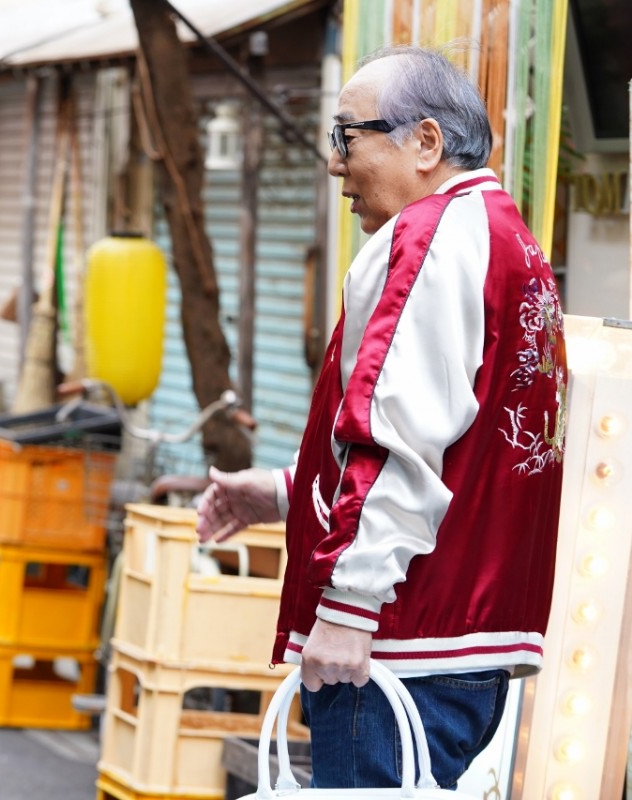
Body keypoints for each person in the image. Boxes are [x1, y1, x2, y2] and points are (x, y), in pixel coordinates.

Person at [196, 44, 567, 789]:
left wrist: (349, 607)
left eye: (346, 136)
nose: (335, 165)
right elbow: (451, 442)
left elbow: (394, 436)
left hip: (400, 643)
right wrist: (284, 491)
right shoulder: (506, 239)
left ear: (425, 142)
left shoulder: (427, 238)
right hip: (463, 649)